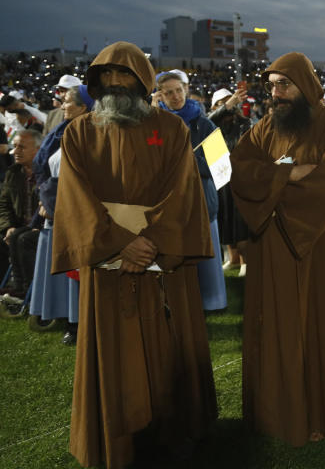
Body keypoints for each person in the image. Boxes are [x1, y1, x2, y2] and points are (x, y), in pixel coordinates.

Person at [51, 41, 217, 468]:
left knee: (168, 349)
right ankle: (117, 435)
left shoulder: (173, 129)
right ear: (95, 82)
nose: (115, 84)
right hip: (110, 267)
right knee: (115, 359)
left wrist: (151, 241)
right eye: (106, 76)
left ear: (143, 81)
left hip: (162, 263)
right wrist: (121, 242)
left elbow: (183, 192)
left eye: (125, 76)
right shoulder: (79, 132)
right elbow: (75, 198)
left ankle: (173, 433)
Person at [230, 52, 325, 446]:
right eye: (271, 86)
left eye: (283, 84)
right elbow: (239, 168)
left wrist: (272, 185)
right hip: (272, 248)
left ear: (305, 86)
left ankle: (324, 416)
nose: (276, 93)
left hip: (321, 247)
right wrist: (287, 173)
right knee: (276, 328)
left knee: (322, 328)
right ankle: (275, 416)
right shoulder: (267, 127)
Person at [156, 70, 227, 311]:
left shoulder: (204, 123)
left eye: (178, 90)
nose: (175, 96)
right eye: (169, 92)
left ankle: (211, 302)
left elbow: (222, 165)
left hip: (201, 202)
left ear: (186, 89)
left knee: (206, 257)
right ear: (160, 96)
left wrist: (190, 162)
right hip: (167, 205)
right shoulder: (156, 124)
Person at [28, 86, 93, 344]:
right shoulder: (61, 131)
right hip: (53, 207)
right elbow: (45, 168)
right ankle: (66, 317)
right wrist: (46, 198)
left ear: (83, 108)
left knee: (75, 269)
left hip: (72, 212)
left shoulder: (91, 134)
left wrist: (53, 200)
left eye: (67, 102)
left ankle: (78, 322)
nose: (62, 105)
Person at [209, 86, 251, 275]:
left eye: (229, 101)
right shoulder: (209, 125)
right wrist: (225, 106)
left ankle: (245, 261)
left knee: (241, 221)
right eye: (221, 104)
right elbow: (205, 124)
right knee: (225, 219)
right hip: (220, 178)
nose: (228, 106)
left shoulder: (244, 123)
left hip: (240, 177)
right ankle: (233, 258)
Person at [0, 129, 41, 307]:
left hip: (43, 227)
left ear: (38, 150)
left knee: (23, 239)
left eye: (21, 147)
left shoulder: (46, 172)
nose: (15, 151)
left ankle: (28, 290)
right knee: (14, 235)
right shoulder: (13, 173)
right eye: (14, 146)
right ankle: (16, 287)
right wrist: (7, 226)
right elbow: (3, 204)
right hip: (19, 226)